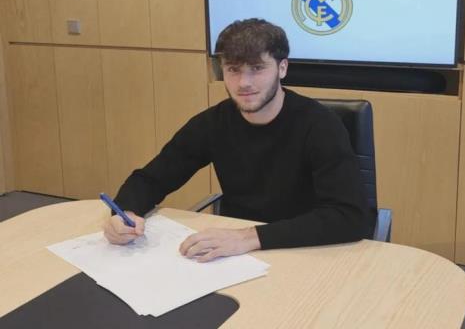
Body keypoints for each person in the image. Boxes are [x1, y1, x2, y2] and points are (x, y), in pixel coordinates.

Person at [103, 18, 369, 262]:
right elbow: (151, 179)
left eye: (257, 68)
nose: (244, 83)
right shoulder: (213, 122)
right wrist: (125, 214)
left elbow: (350, 217)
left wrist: (247, 238)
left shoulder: (320, 125)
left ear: (282, 68)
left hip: (309, 251)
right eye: (233, 70)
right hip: (236, 257)